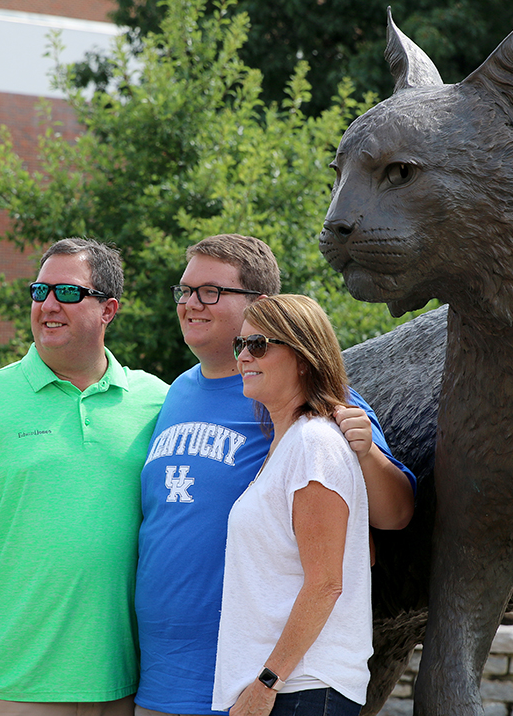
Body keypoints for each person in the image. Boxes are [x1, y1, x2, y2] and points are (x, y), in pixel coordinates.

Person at [135, 234, 415, 716]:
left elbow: (394, 515)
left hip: (258, 681)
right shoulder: (176, 393)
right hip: (160, 679)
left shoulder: (313, 411)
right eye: (185, 290)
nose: (191, 303)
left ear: (259, 304)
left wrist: (367, 453)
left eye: (210, 292)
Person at [0, 237, 169, 715]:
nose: (48, 305)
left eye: (67, 293)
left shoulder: (155, 403)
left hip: (120, 685)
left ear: (108, 309)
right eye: (39, 291)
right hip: (7, 686)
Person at [212, 294, 373, 716]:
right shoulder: (288, 444)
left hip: (301, 689)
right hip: (288, 687)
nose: (243, 356)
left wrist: (267, 683)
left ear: (303, 358)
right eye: (240, 344)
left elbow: (326, 584)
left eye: (259, 344)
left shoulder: (314, 444)